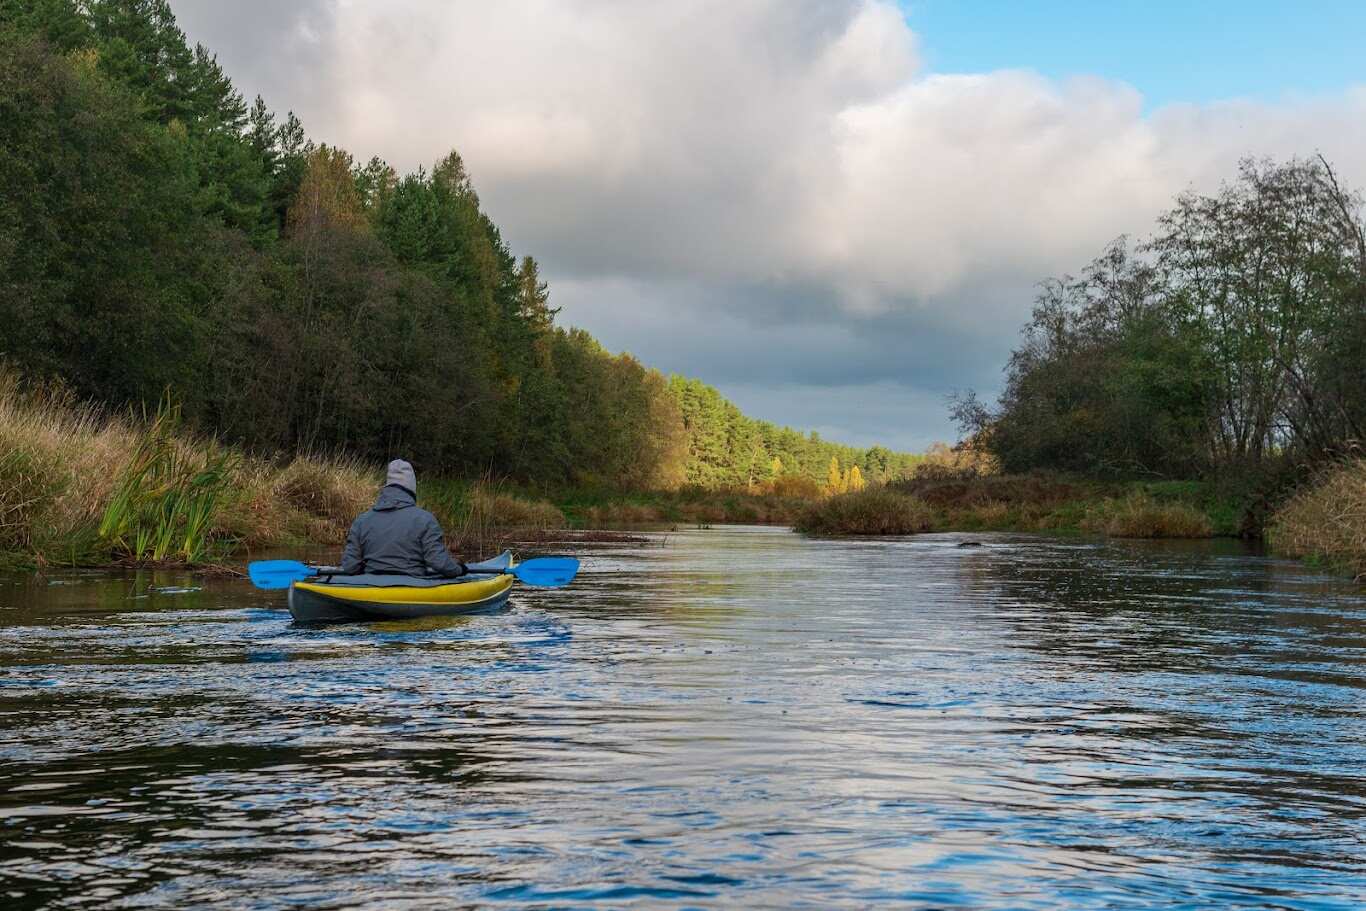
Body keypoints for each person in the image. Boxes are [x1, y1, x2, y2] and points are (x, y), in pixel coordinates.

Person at [340, 459, 467, 577]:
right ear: (411, 488)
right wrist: (459, 569)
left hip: (369, 587)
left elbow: (350, 566)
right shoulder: (425, 519)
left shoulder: (361, 521)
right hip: (413, 586)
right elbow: (439, 563)